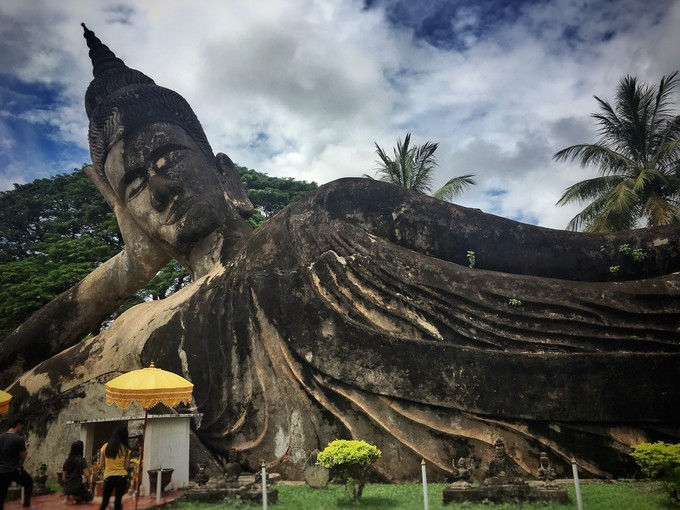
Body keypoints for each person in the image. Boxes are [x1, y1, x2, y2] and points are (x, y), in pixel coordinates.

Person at [3, 24, 680, 483]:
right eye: (134, 184)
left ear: (222, 170)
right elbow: (17, 379)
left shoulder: (328, 212)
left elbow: (561, 259)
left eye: (166, 157)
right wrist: (129, 267)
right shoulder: (143, 329)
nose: (157, 187)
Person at [0, 417, 33, 509]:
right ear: (18, 425)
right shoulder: (19, 439)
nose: (22, 428)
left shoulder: (0, 437)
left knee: (2, 492)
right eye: (21, 426)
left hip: (1, 470)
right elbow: (23, 457)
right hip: (13, 470)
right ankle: (27, 506)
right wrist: (25, 447)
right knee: (29, 482)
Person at [98, 427, 130, 510]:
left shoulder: (105, 447)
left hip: (108, 477)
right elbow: (126, 467)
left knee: (104, 502)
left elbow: (101, 464)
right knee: (118, 501)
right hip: (121, 477)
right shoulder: (126, 449)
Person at [62, 440, 93, 504]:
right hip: (76, 488)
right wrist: (89, 484)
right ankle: (74, 497)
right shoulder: (81, 460)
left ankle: (69, 496)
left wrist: (68, 485)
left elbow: (63, 478)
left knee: (75, 491)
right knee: (90, 497)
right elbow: (87, 475)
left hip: (66, 489)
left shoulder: (67, 461)